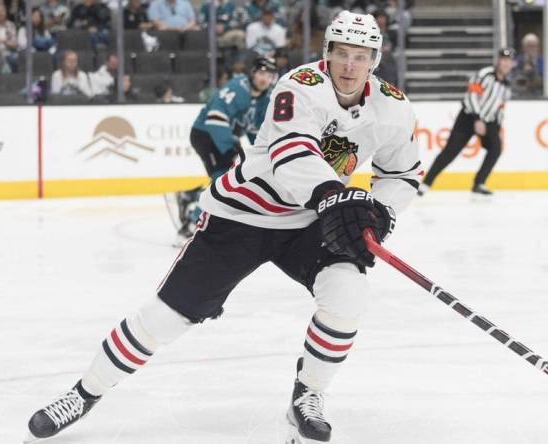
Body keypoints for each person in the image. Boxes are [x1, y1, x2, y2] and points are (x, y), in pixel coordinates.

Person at [25, 11, 420, 443]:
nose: (349, 65)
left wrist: (378, 213)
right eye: (341, 53)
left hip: (309, 221)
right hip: (244, 214)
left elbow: (402, 174)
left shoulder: (393, 107)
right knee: (165, 319)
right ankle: (83, 394)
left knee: (348, 293)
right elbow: (292, 155)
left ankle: (308, 394)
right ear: (326, 53)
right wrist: (332, 195)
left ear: (375, 60)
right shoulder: (299, 87)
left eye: (360, 57)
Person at [171, 56, 277, 240]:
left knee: (227, 179)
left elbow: (257, 131)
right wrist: (230, 150)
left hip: (226, 139)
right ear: (253, 73)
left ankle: (191, 196)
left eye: (269, 75)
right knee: (223, 178)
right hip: (205, 134)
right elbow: (215, 118)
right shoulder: (237, 88)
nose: (264, 78)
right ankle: (191, 224)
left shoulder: (264, 100)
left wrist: (262, 154)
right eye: (261, 73)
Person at [418, 48, 514, 196]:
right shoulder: (484, 74)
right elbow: (471, 96)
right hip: (469, 117)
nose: (506, 63)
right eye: (503, 59)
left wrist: (498, 128)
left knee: (496, 148)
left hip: (489, 121)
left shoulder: (506, 85)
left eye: (509, 61)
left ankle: (479, 183)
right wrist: (477, 119)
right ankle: (426, 183)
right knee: (451, 151)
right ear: (498, 61)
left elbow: (500, 108)